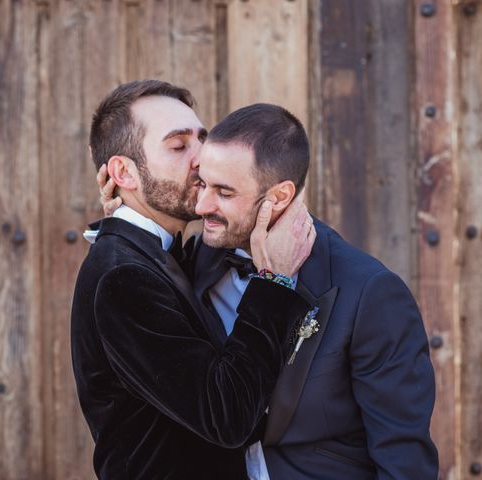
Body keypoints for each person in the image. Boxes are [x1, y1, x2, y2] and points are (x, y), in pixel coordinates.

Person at [100, 102, 438, 479]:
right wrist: (129, 209)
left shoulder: (370, 295)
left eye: (224, 192)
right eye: (203, 183)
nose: (202, 203)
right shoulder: (199, 259)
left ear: (278, 197)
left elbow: (405, 463)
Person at [71, 80, 316, 479]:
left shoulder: (149, 254)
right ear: (123, 172)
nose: (202, 158)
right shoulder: (124, 278)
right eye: (179, 145)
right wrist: (274, 283)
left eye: (203, 138)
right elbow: (228, 417)